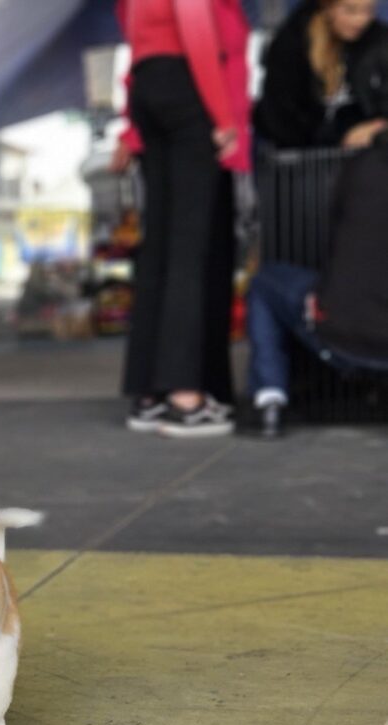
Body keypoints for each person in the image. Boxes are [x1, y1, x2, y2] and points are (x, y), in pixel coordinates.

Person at [112, 0, 250, 438]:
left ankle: (149, 394)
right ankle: (186, 398)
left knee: (161, 247)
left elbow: (136, 43)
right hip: (189, 88)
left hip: (152, 88)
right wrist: (224, 117)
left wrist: (130, 128)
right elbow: (196, 26)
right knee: (190, 247)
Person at [246, 141, 388, 436]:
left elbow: (335, 242)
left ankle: (270, 400)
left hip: (340, 336)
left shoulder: (361, 165)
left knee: (264, 283)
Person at [254, 0, 387, 150]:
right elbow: (280, 116)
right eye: (350, 10)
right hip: (301, 154)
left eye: (368, 10)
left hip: (365, 152)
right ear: (328, 7)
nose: (360, 20)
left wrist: (379, 128)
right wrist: (342, 136)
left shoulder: (379, 40)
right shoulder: (293, 43)